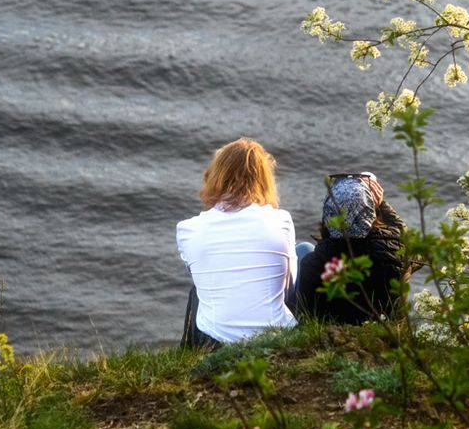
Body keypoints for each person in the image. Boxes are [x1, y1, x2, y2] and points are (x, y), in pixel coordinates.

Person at [177, 139, 300, 346]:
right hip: (277, 336)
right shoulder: (281, 220)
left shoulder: (187, 229)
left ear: (215, 177)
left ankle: (188, 352)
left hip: (215, 341)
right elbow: (290, 284)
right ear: (264, 179)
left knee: (199, 290)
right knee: (304, 250)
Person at [289, 173, 412, 325]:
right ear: (370, 212)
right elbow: (409, 242)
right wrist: (381, 204)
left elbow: (303, 311)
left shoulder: (313, 265)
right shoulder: (395, 255)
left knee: (303, 248)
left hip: (328, 334)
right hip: (384, 334)